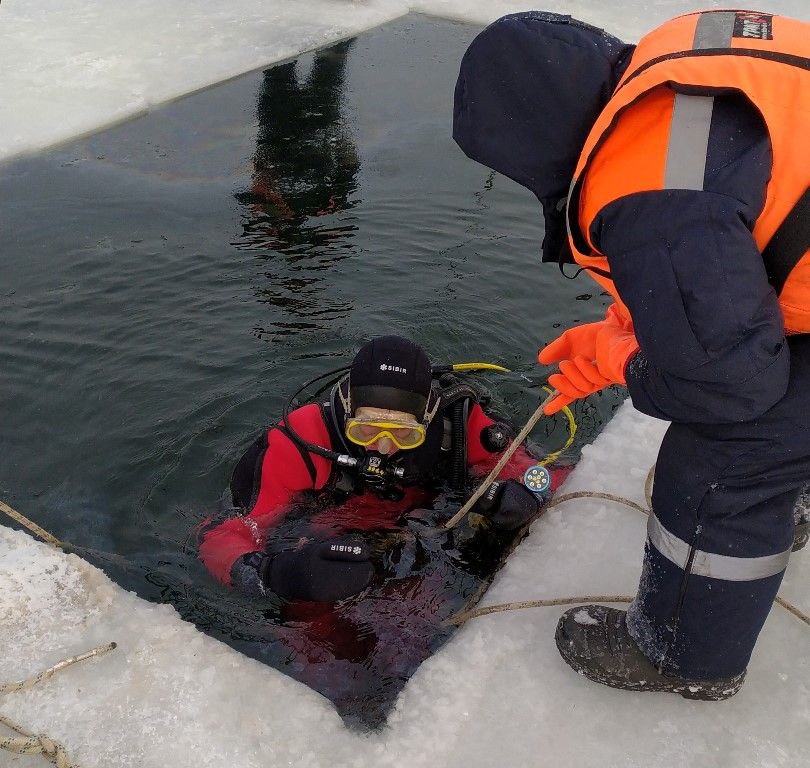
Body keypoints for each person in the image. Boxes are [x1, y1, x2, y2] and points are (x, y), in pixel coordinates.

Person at [453, 9, 809, 700]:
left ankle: (683, 655)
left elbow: (731, 385)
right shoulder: (678, 62)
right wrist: (638, 315)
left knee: (722, 462)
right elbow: (747, 219)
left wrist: (625, 362)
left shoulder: (650, 185)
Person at [199, 335, 560, 602]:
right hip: (328, 536)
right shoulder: (300, 444)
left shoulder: (458, 426)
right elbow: (222, 535)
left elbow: (540, 473)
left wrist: (525, 495)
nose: (383, 448)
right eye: (367, 429)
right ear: (346, 408)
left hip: (426, 533)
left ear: (428, 418)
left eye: (403, 433)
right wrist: (274, 574)